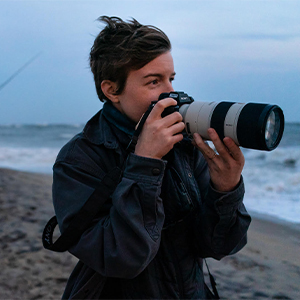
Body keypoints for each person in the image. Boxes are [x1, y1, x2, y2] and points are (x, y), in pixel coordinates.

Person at [52, 16, 251, 299]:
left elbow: (217, 246)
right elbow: (122, 259)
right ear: (111, 90)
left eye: (171, 78)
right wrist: (145, 164)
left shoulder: (183, 144)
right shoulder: (80, 158)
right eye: (153, 81)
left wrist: (226, 190)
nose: (170, 92)